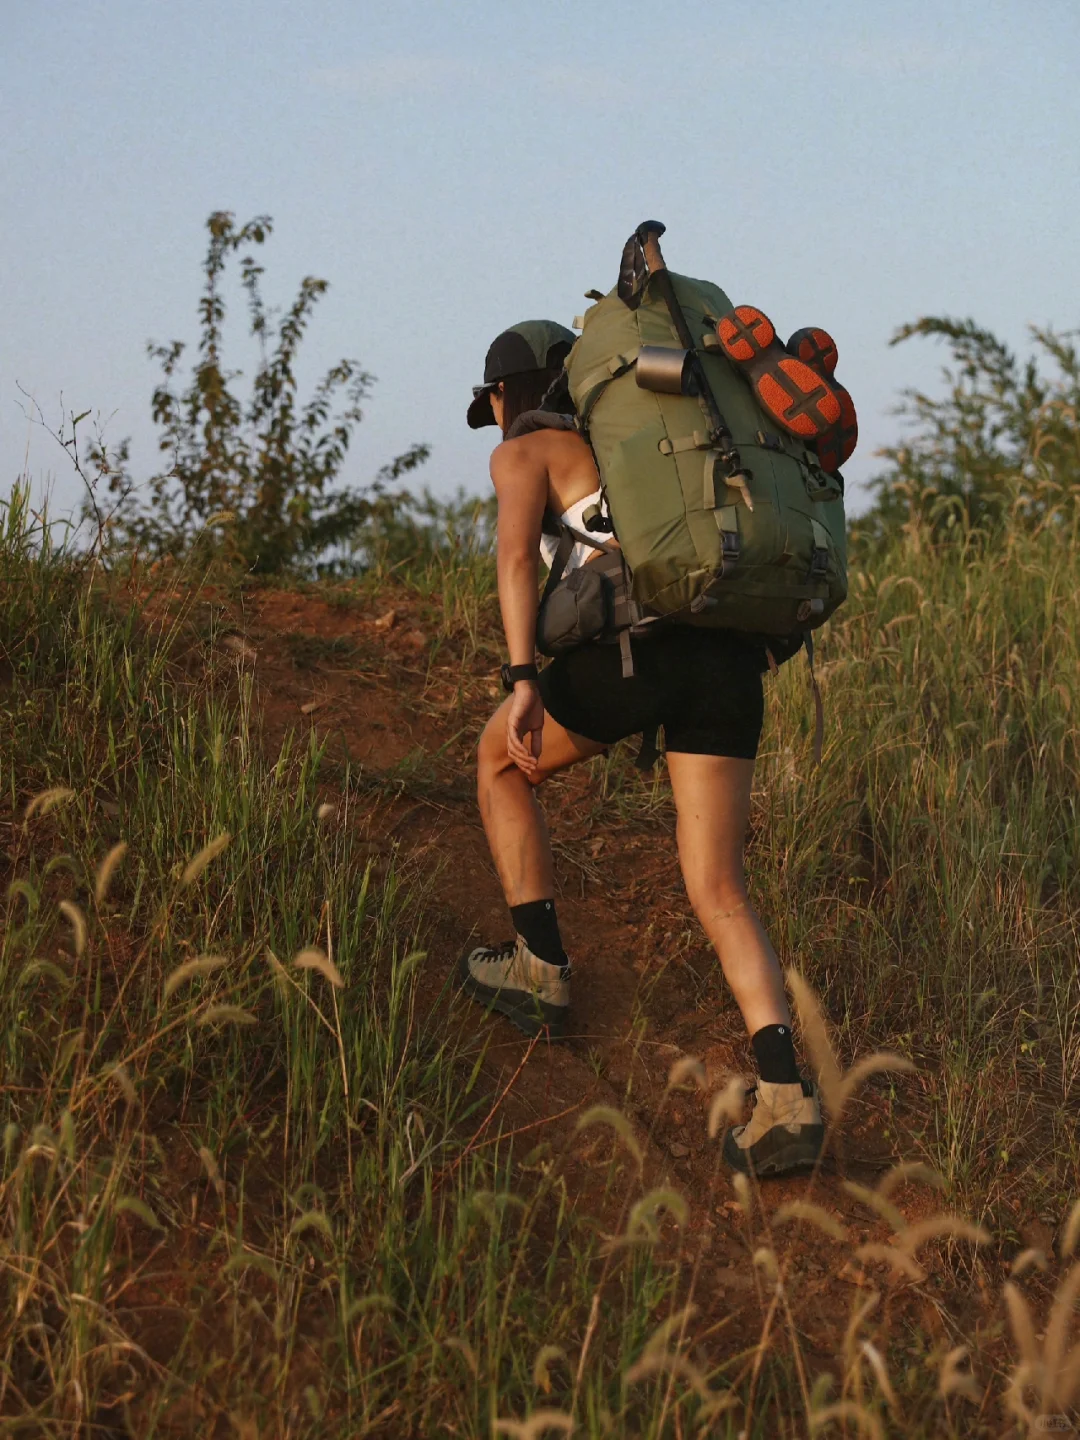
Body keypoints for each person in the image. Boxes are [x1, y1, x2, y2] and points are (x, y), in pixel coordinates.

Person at [459, 320, 823, 1177]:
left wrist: (521, 678)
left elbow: (516, 560)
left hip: (639, 655)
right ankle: (788, 1095)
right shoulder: (659, 442)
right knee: (720, 888)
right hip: (727, 661)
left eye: (497, 400)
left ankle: (539, 967)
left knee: (496, 761)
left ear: (511, 392)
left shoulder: (528, 450)